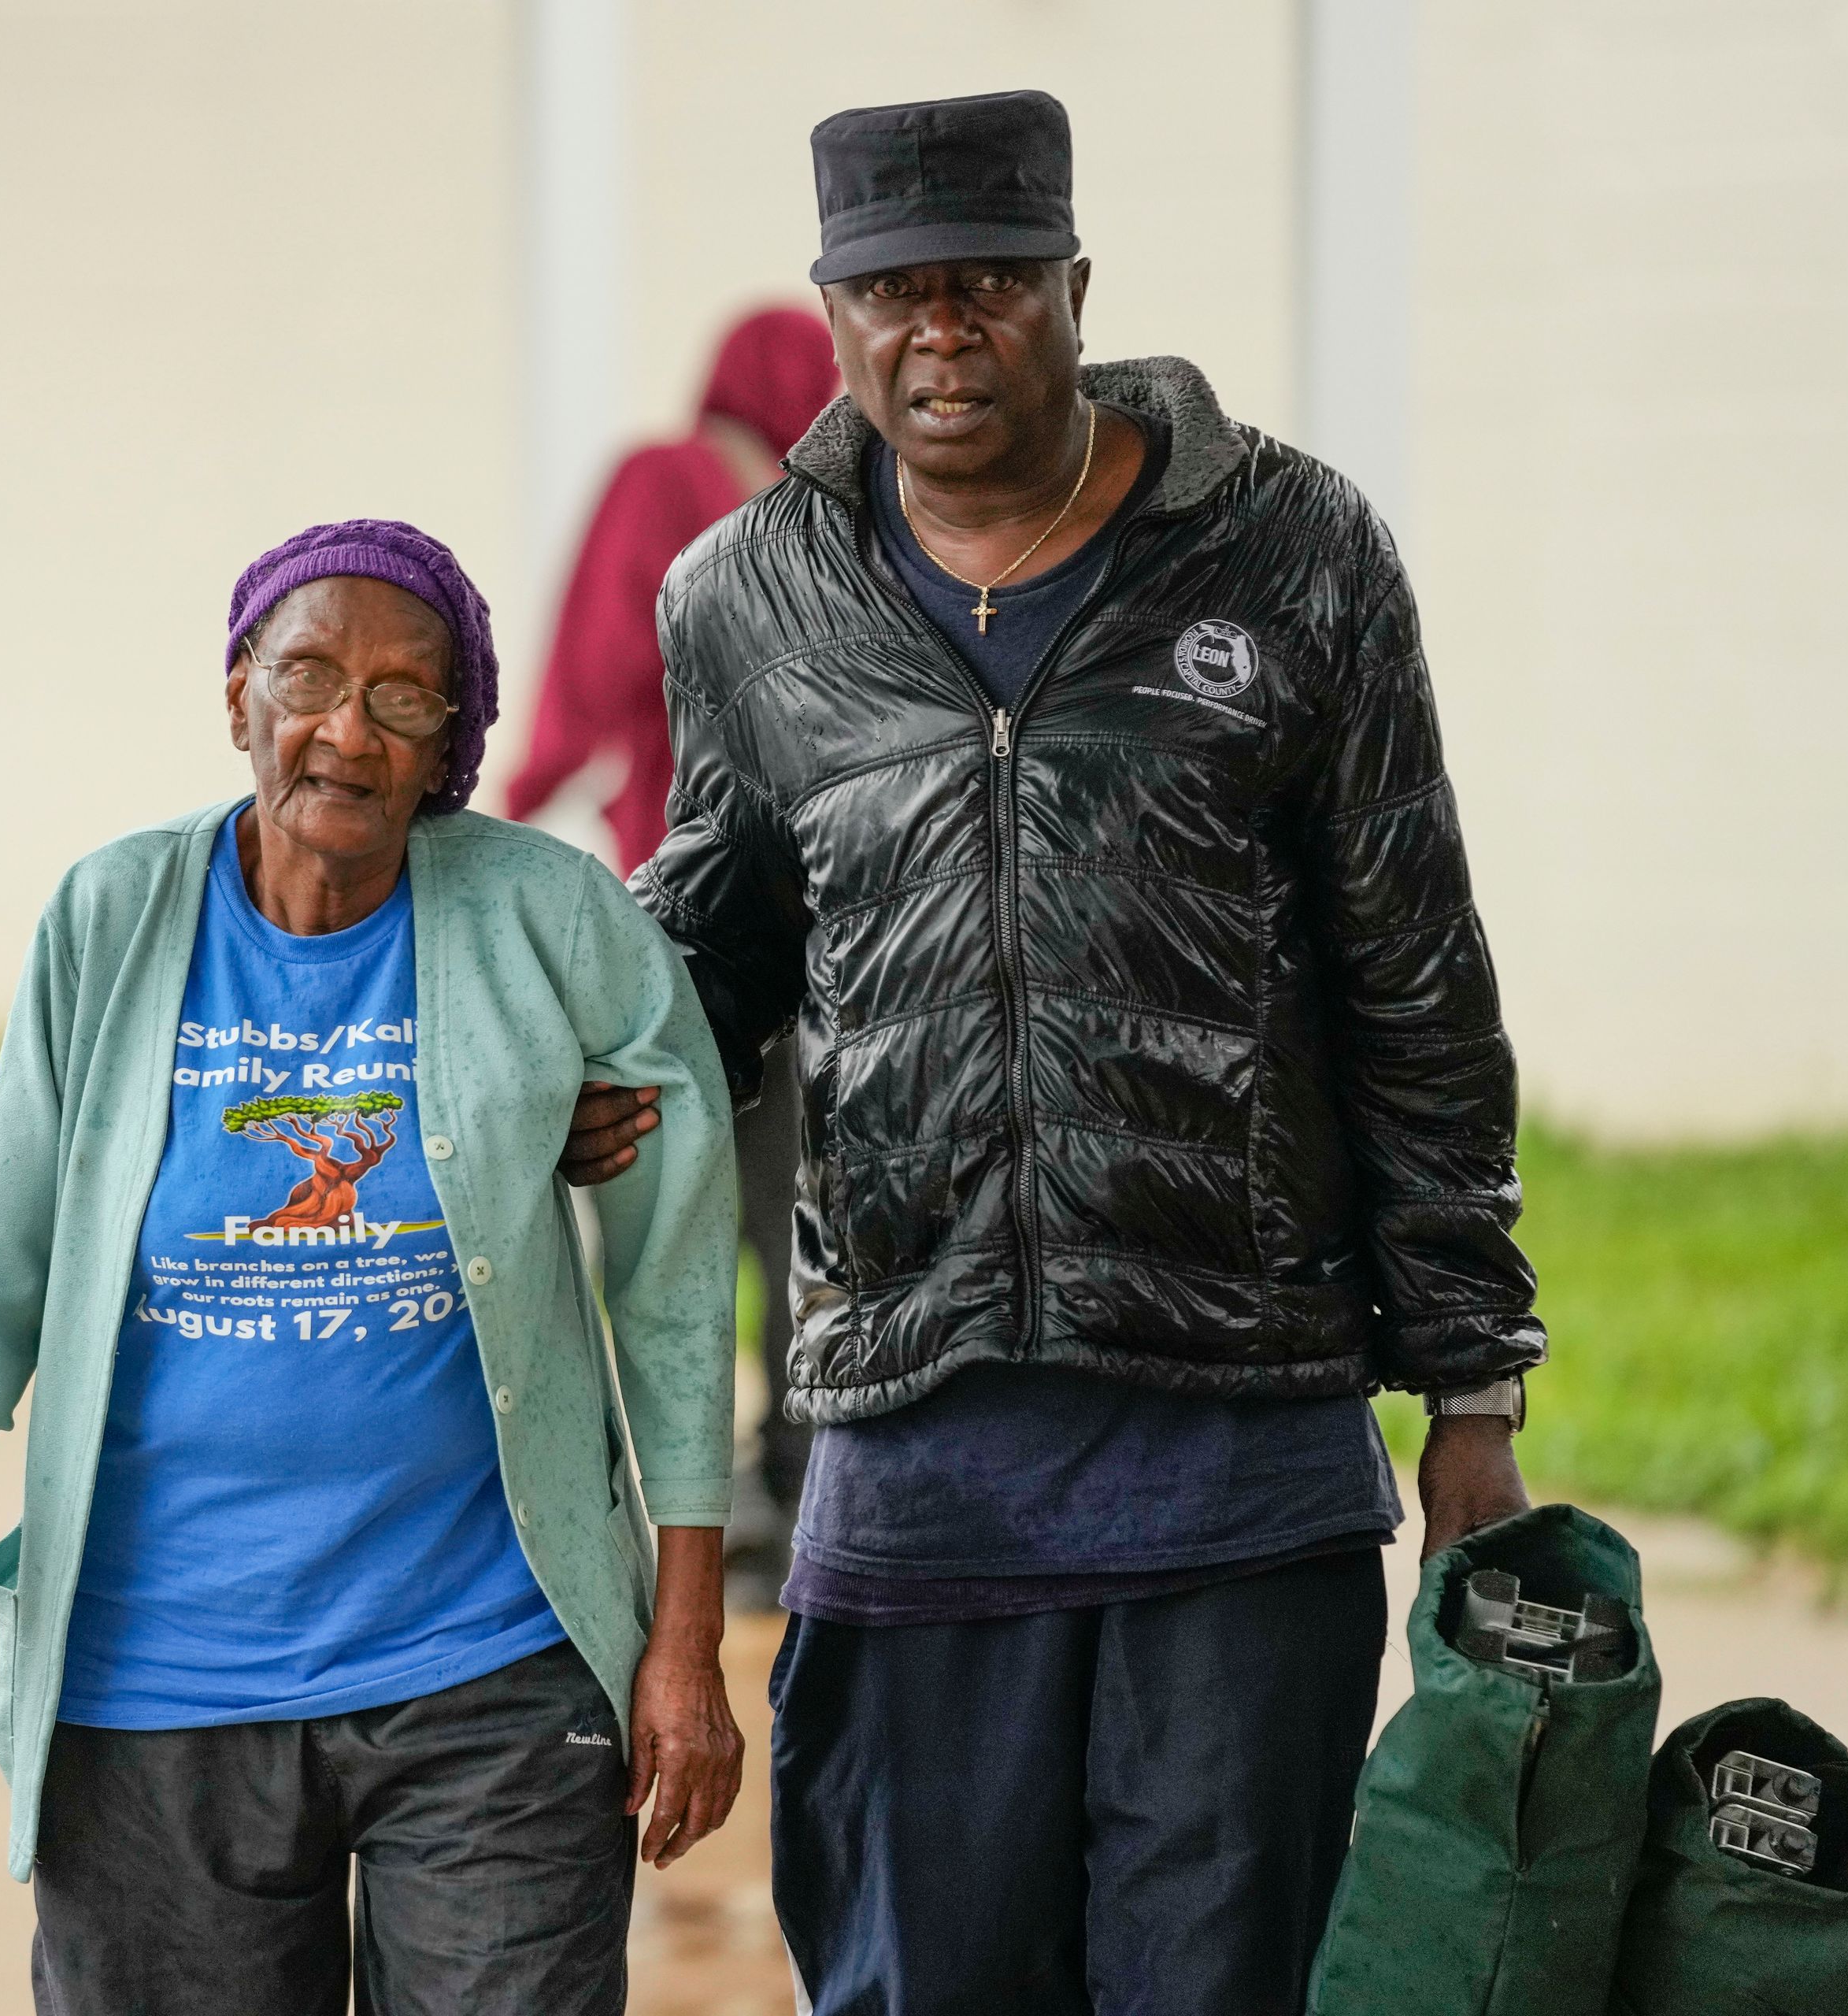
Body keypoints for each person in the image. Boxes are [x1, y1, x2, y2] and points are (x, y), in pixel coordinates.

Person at [563, 91, 1546, 2013]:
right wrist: (567, 1059)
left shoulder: (1293, 549)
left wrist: (1476, 1389)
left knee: (1219, 1984)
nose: (943, 332)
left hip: (1240, 1451)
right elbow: (717, 933)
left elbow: (1415, 976)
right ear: (836, 315)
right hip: (915, 1452)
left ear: (1076, 289)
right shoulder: (747, 598)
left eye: (991, 285)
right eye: (893, 291)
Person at [0, 520, 746, 2015]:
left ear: (452, 742)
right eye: (306, 677)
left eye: (404, 697)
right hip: (157, 1690)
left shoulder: (552, 925)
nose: (346, 732)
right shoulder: (109, 920)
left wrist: (682, 1648)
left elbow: (678, 1299)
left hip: (489, 1670)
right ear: (237, 694)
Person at [504, 305, 841, 1607]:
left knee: (681, 1196)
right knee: (797, 1200)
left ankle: (696, 1493)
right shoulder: (817, 517)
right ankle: (798, 1469)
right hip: (830, 914)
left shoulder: (666, 482)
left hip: (690, 910)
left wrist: (514, 793)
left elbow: (592, 663)